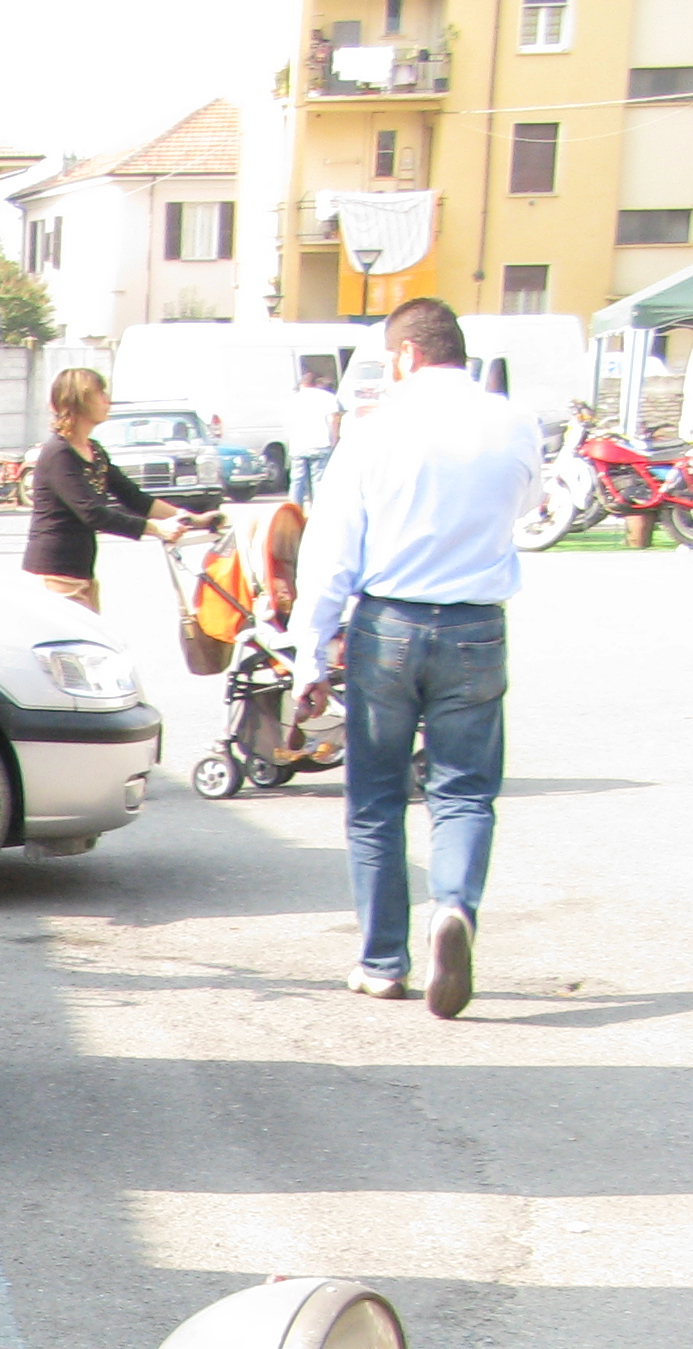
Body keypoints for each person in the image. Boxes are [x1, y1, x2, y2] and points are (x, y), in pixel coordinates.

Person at [293, 297, 538, 1017]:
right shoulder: (516, 422)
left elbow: (331, 553)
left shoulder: (375, 432)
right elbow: (526, 507)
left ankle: (381, 961)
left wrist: (310, 659)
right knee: (463, 791)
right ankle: (453, 908)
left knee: (374, 799)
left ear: (405, 357)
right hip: (475, 628)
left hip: (388, 625)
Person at [24, 366, 212, 611]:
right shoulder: (59, 454)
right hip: (53, 577)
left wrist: (189, 519)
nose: (107, 400)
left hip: (81, 576)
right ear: (79, 401)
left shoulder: (94, 450)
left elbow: (133, 497)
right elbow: (92, 513)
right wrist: (156, 529)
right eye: (99, 393)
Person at [284, 364, 342, 505]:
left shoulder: (293, 400)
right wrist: (334, 441)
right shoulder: (327, 397)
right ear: (316, 383)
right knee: (319, 481)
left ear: (302, 384)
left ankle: (294, 511)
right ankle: (317, 511)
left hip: (298, 446)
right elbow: (333, 420)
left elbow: (288, 423)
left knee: (297, 481)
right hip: (320, 444)